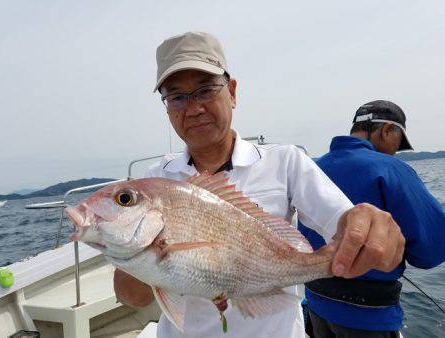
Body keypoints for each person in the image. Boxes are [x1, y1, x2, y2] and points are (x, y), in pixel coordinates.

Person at [114, 32, 405, 338]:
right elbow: (133, 298)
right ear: (167, 107)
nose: (194, 107)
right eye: (177, 97)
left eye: (206, 90)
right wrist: (138, 250)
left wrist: (369, 227)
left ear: (233, 92)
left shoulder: (285, 162)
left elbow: (344, 222)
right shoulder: (155, 181)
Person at [299, 100, 445, 338]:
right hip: (367, 318)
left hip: (316, 304)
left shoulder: (313, 168)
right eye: (400, 142)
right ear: (388, 130)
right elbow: (430, 253)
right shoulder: (391, 169)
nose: (397, 151)